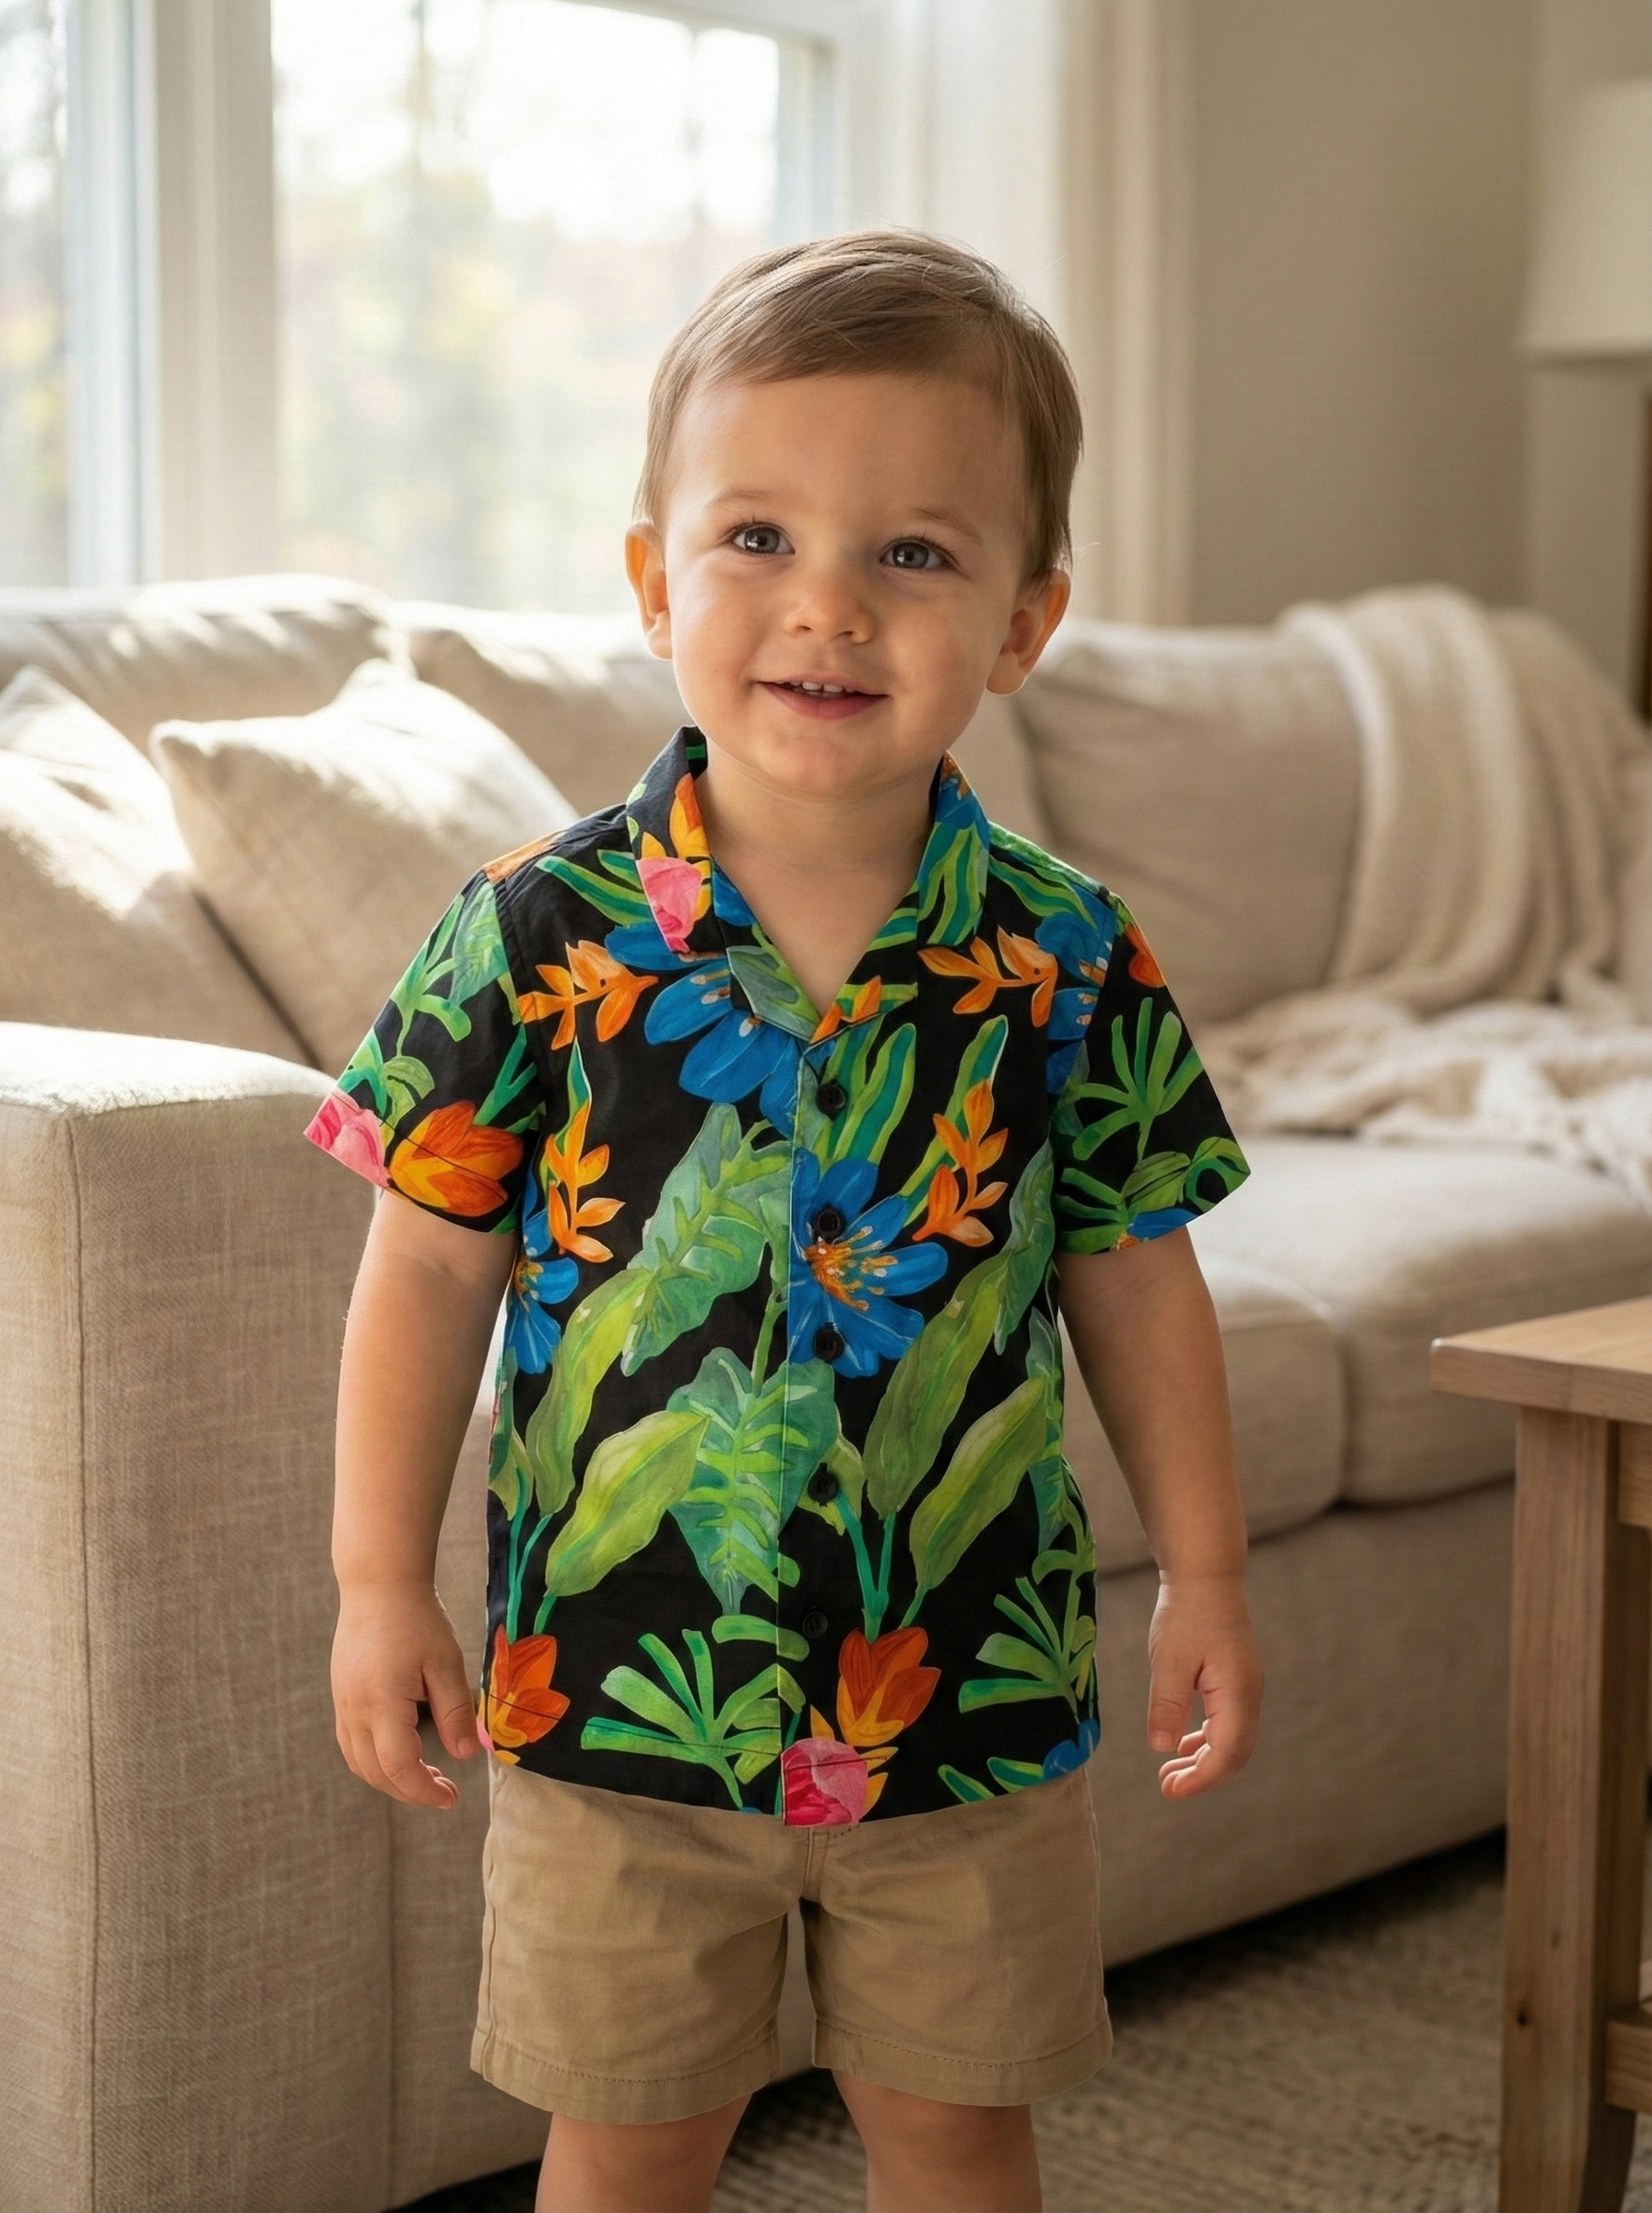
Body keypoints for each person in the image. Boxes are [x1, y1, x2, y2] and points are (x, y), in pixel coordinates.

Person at [312, 230, 1264, 2213]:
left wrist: (1206, 1570)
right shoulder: (531, 935)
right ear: (654, 579)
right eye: (756, 537)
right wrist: (376, 1582)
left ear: (1024, 620)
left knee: (957, 2134)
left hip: (968, 1697)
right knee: (626, 2145)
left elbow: (1135, 1274)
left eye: (913, 552)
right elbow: (423, 1268)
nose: (827, 604)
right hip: (613, 1706)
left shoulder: (1067, 954)